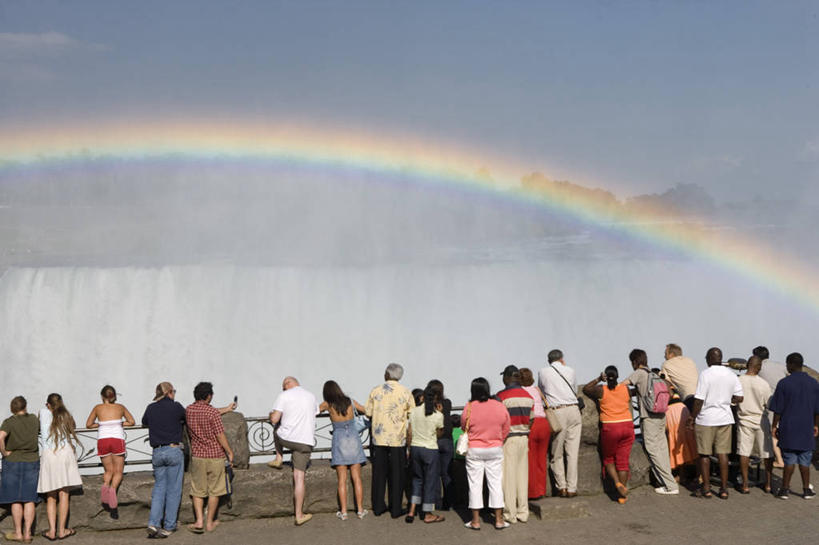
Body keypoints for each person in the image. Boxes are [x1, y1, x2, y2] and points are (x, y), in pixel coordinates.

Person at [687, 347, 743, 499]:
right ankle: (724, 489)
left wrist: (692, 417)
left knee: (704, 453)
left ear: (710, 358)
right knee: (723, 454)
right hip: (725, 418)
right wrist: (725, 400)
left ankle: (706, 488)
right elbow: (739, 397)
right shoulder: (731, 374)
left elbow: (699, 400)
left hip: (706, 419)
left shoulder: (705, 374)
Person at [623, 349, 679, 495]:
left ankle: (670, 485)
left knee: (653, 450)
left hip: (649, 417)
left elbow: (622, 386)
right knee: (662, 450)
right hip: (661, 415)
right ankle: (667, 481)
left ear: (634, 362)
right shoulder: (653, 374)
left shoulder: (639, 373)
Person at [185, 381, 235, 533]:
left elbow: (206, 411)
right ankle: (210, 522)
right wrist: (230, 452)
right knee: (215, 491)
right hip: (215, 456)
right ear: (208, 396)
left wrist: (226, 408)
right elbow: (220, 435)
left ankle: (199, 521)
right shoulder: (212, 413)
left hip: (198, 456)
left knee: (198, 490)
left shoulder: (189, 410)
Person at [365, 363, 414, 518]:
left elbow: (368, 412)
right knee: (397, 475)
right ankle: (396, 509)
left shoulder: (375, 390)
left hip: (379, 439)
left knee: (379, 474)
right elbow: (411, 415)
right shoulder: (406, 392)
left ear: (386, 374)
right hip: (397, 440)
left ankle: (378, 507)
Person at [462, 377, 511, 530]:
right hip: (494, 448)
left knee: (475, 485)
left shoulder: (469, 407)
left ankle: (475, 521)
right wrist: (498, 440)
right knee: (495, 484)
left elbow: (464, 425)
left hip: (475, 449)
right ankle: (498, 520)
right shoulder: (499, 406)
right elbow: (506, 426)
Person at [269, 376, 319, 526]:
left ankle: (279, 458)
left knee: (276, 429)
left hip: (287, 439)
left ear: (286, 385)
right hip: (305, 442)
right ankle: (299, 515)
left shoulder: (283, 395)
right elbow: (315, 412)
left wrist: (272, 413)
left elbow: (275, 419)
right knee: (299, 478)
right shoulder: (310, 395)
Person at [769, 352, 819, 499]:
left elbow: (778, 409)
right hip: (806, 427)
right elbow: (817, 409)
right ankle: (806, 490)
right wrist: (816, 425)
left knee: (789, 460)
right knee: (805, 460)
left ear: (791, 364)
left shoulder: (784, 383)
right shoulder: (813, 383)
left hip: (789, 427)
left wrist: (774, 425)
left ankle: (785, 490)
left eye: (787, 364)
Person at [583, 366, 634, 504]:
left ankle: (617, 484)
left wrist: (599, 379)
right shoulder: (626, 389)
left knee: (609, 459)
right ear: (617, 376)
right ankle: (622, 496)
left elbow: (586, 389)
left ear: (606, 376)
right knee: (623, 462)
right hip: (628, 426)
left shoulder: (601, 390)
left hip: (611, 427)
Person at [142, 382, 186, 538]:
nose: (174, 394)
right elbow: (186, 418)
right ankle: (168, 526)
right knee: (173, 490)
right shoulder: (176, 406)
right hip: (173, 450)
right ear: (168, 392)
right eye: (173, 391)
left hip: (157, 452)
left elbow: (144, 422)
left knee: (159, 490)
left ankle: (153, 524)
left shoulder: (151, 408)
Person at [319, 380, 367, 521]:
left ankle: (344, 512)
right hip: (353, 438)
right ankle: (360, 510)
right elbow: (365, 410)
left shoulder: (327, 404)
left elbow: (314, 410)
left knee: (342, 480)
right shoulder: (349, 401)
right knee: (357, 478)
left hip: (339, 439)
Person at [85, 385, 135, 519]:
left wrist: (101, 424)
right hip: (117, 439)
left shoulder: (97, 408)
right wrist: (119, 423)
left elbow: (88, 424)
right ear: (114, 396)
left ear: (102, 396)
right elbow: (132, 422)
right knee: (118, 472)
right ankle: (113, 489)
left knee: (108, 471)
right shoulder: (121, 407)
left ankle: (106, 485)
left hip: (103, 440)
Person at [37, 393, 82, 540]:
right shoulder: (65, 414)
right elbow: (73, 426)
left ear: (47, 405)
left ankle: (51, 531)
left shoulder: (43, 413)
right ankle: (62, 531)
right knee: (64, 494)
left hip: (49, 455)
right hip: (65, 454)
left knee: (51, 496)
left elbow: (40, 426)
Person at [538, 349, 582, 498]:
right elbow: (575, 389)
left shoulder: (543, 372)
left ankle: (561, 486)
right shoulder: (570, 370)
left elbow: (542, 393)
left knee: (556, 452)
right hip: (574, 410)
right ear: (562, 359)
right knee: (572, 452)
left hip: (558, 412)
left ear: (549, 361)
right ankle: (572, 488)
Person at [496, 365, 534, 523]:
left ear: (507, 378)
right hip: (524, 438)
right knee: (521, 476)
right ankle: (523, 511)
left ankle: (509, 513)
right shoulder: (528, 396)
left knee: (508, 478)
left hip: (508, 439)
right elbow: (531, 420)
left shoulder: (501, 396)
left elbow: (498, 420)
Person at [0, 396, 40, 543]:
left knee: (15, 499)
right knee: (29, 499)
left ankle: (18, 533)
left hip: (13, 462)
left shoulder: (9, 422)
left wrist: (4, 453)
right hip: (32, 461)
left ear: (13, 408)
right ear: (25, 406)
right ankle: (28, 534)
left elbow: (0, 437)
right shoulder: (34, 419)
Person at [405, 385, 445, 524]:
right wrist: (442, 413)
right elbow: (439, 434)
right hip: (430, 449)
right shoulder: (438, 415)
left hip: (416, 448)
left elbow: (409, 432)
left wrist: (409, 449)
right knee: (430, 482)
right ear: (435, 399)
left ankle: (412, 510)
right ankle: (427, 513)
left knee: (417, 480)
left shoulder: (414, 412)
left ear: (422, 397)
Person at [735, 356, 774, 494]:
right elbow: (769, 404)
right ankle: (768, 484)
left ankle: (745, 484)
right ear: (758, 367)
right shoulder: (763, 384)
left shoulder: (738, 381)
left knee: (744, 452)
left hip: (744, 419)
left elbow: (733, 401)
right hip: (760, 420)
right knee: (767, 452)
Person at [754, 346, 788, 467]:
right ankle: (786, 457)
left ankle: (779, 460)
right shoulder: (780, 366)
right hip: (786, 403)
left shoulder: (759, 368)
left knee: (772, 433)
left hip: (771, 404)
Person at [519, 367, 550, 500]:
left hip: (531, 424)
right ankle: (542, 489)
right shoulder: (537, 389)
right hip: (544, 423)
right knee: (541, 458)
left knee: (530, 459)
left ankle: (533, 492)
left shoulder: (520, 391)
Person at [426, 379, 454, 511]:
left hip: (434, 440)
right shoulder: (447, 403)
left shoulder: (427, 405)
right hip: (447, 440)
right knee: (446, 473)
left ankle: (437, 503)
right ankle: (448, 503)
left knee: (435, 473)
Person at [664, 393, 697, 485]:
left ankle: (680, 475)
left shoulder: (661, 383)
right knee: (688, 441)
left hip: (670, 411)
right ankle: (695, 475)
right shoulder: (671, 385)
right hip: (682, 409)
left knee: (675, 441)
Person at [660, 344, 698, 408]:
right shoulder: (690, 361)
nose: (664, 356)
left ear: (671, 354)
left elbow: (666, 383)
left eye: (665, 354)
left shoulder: (666, 364)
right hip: (699, 398)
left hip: (687, 400)